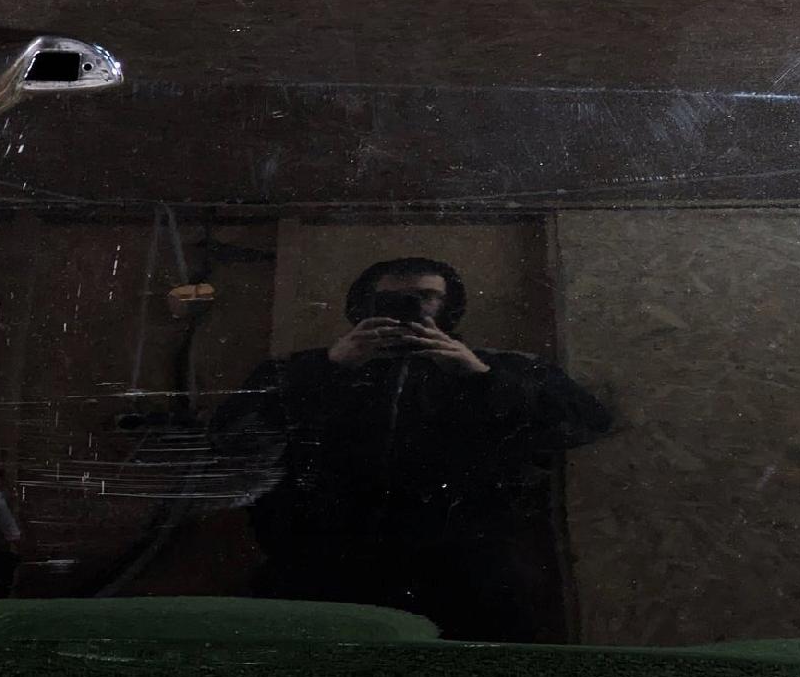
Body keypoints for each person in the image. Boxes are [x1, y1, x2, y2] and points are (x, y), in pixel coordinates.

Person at [216, 256, 611, 640]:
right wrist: (327, 367)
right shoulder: (297, 368)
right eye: (391, 299)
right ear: (364, 305)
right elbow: (232, 437)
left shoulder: (505, 366)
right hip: (320, 564)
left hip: (465, 570)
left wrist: (481, 376)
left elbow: (586, 424)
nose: (411, 307)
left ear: (451, 306)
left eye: (427, 296)